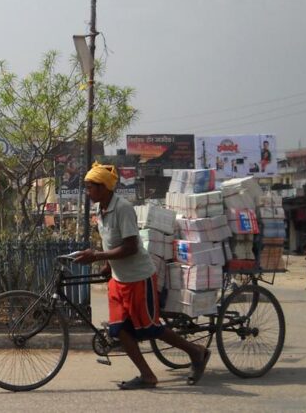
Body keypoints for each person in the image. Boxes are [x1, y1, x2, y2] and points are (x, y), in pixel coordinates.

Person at [72, 163, 210, 389]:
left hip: (139, 277)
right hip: (118, 279)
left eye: (90, 188)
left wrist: (97, 256)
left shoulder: (123, 208)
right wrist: (107, 263)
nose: (87, 193)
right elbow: (110, 241)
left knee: (150, 328)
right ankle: (147, 375)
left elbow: (130, 247)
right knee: (119, 329)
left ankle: (196, 352)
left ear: (104, 187)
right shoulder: (100, 209)